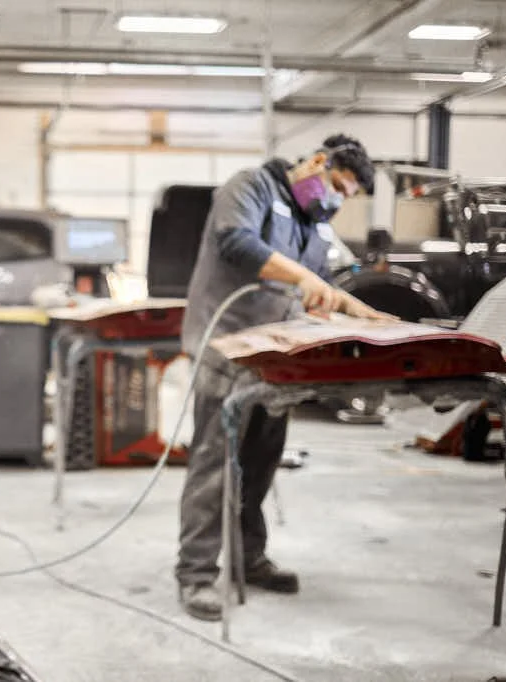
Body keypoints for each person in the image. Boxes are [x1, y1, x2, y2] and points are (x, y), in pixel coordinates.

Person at [176, 134, 392, 621]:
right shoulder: (249, 186)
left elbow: (319, 288)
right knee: (215, 467)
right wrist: (305, 280)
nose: (336, 200)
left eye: (347, 196)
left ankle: (248, 558)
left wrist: (362, 312)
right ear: (317, 162)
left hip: (276, 359)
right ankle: (196, 575)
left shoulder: (314, 223)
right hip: (226, 350)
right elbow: (236, 241)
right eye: (336, 185)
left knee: (261, 464)